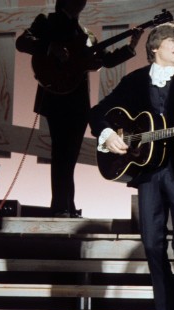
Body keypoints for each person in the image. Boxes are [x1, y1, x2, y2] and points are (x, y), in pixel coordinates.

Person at [89, 23, 174, 310]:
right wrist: (108, 135)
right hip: (147, 173)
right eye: (172, 41)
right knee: (153, 245)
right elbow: (98, 111)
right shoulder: (134, 81)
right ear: (154, 47)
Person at [16, 0, 142, 217]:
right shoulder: (47, 21)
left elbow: (105, 60)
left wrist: (131, 46)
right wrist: (51, 48)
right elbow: (23, 42)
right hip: (56, 95)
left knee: (70, 154)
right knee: (61, 153)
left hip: (78, 99)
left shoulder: (86, 33)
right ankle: (60, 207)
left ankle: (68, 207)